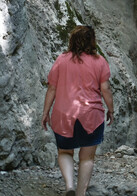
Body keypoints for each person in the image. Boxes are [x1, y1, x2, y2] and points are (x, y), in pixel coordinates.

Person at [42, 25, 114, 196]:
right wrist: (110, 109)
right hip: (91, 115)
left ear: (72, 40)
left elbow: (52, 88)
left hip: (63, 115)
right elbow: (105, 89)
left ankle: (69, 187)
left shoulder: (61, 60)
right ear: (92, 41)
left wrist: (45, 112)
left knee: (65, 151)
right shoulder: (100, 61)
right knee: (87, 157)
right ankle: (80, 194)